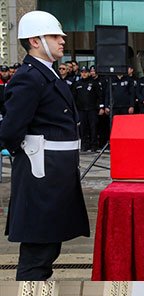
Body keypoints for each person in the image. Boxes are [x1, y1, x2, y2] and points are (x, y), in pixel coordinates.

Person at [0, 10, 89, 280]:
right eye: (54, 36)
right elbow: (11, 130)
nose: (62, 40)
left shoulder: (46, 73)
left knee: (49, 248)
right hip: (41, 175)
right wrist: (32, 153)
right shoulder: (30, 76)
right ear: (35, 41)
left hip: (54, 175)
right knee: (37, 254)